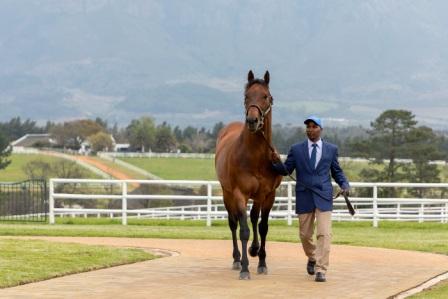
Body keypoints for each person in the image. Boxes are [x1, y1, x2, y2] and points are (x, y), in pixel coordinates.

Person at [271, 116, 350, 282]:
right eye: (308, 126)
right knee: (305, 235)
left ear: (321, 129)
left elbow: (337, 171)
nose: (310, 129)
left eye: (314, 126)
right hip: (304, 195)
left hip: (323, 195)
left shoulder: (331, 149)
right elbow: (286, 170)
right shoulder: (296, 149)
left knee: (324, 233)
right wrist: (275, 161)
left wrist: (344, 184)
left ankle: (321, 269)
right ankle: (312, 256)